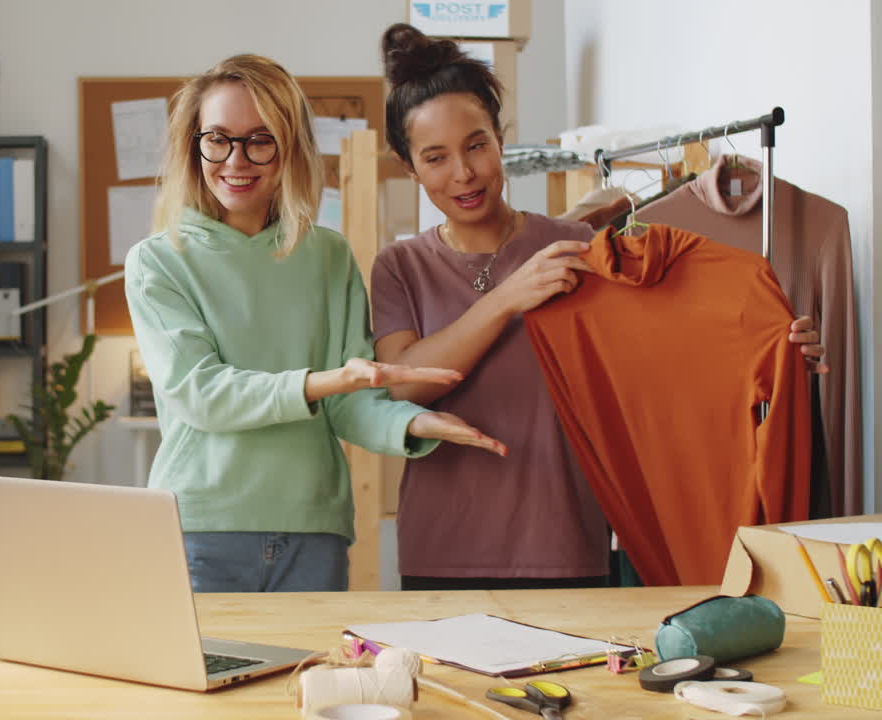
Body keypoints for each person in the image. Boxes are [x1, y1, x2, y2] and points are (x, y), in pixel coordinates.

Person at [370, 24, 826, 591]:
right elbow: (400, 384)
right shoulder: (399, 266)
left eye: (476, 145)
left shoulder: (577, 248)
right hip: (441, 550)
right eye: (435, 158)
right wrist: (508, 299)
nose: (462, 173)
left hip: (568, 546)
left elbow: (666, 359)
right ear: (409, 166)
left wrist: (770, 345)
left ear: (501, 138)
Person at [124, 54, 505, 594]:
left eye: (261, 139)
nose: (237, 160)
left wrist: (412, 424)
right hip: (199, 531)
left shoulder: (327, 255)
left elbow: (351, 403)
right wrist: (327, 382)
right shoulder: (158, 261)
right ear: (194, 144)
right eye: (218, 139)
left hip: (315, 531)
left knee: (311, 682)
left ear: (289, 148)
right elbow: (200, 393)